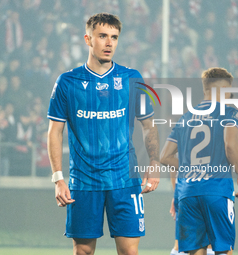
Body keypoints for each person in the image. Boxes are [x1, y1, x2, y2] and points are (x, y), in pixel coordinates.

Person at [47, 13, 160, 255]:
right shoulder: (68, 82)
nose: (109, 43)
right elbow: (54, 132)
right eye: (102, 36)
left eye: (114, 37)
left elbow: (149, 124)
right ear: (87, 39)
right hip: (84, 181)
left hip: (125, 180)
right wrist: (58, 178)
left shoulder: (132, 78)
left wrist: (154, 163)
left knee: (129, 252)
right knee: (83, 252)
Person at [160, 67, 238, 255]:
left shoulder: (185, 118)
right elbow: (230, 146)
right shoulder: (230, 113)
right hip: (216, 190)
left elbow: (164, 157)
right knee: (224, 250)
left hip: (188, 193)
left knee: (195, 251)